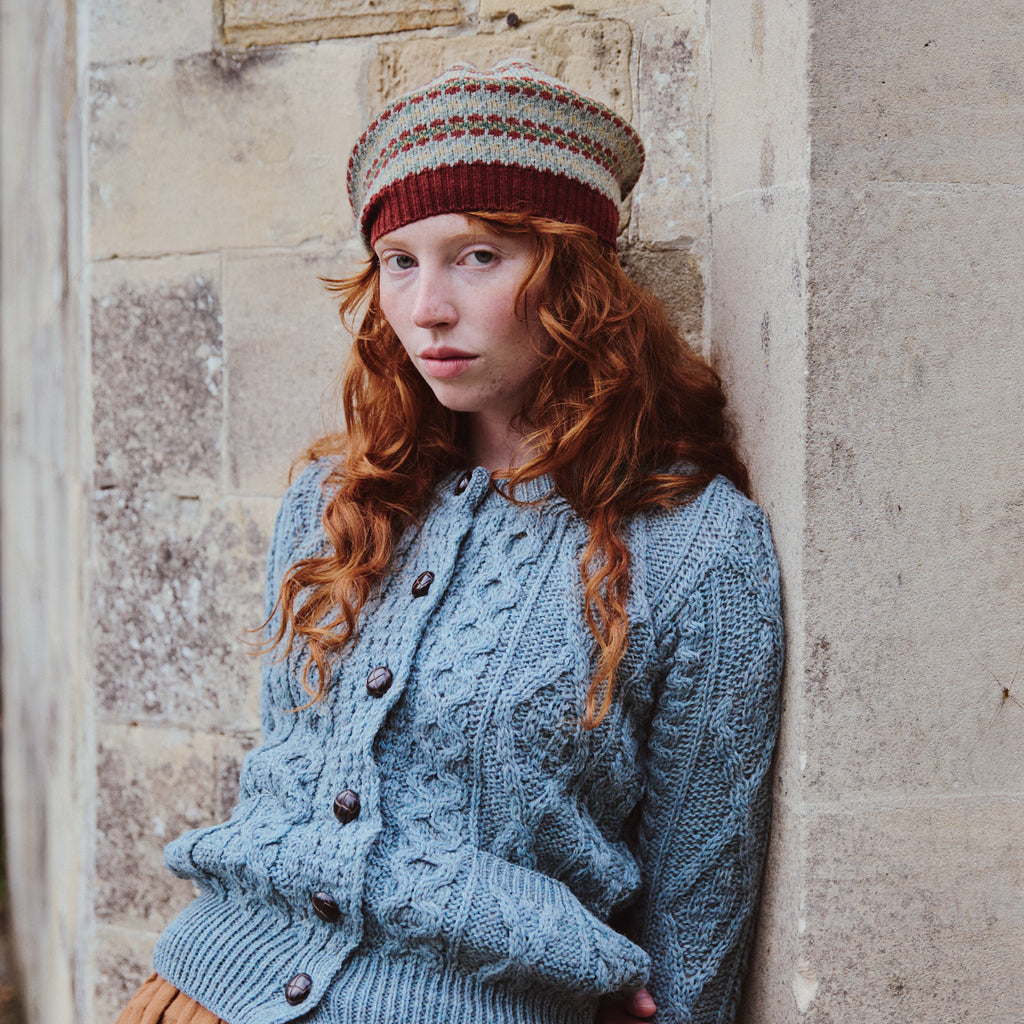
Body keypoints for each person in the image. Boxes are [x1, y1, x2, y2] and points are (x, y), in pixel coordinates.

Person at [116, 59, 783, 1024]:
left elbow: (698, 910)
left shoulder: (696, 549)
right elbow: (288, 783)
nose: (428, 306)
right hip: (202, 991)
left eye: (478, 256)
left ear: (575, 275)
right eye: (399, 260)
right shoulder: (335, 501)